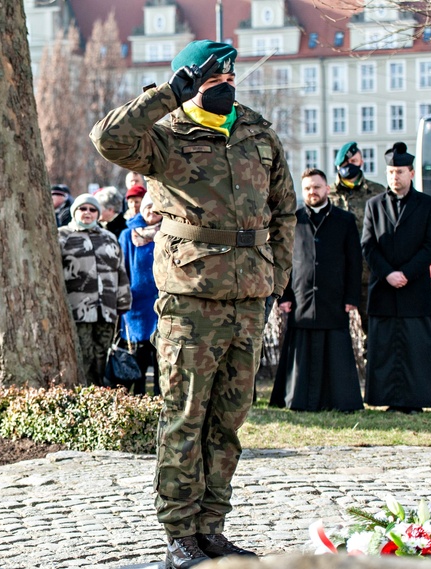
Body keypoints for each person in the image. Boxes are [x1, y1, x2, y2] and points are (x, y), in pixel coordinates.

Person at [91, 40, 295, 567]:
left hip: (249, 298)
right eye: (210, 78)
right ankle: (179, 533)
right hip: (191, 300)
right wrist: (168, 95)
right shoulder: (165, 135)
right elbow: (109, 139)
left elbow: (284, 211)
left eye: (229, 76)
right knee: (186, 417)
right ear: (190, 79)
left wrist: (276, 277)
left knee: (228, 420)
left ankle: (212, 526)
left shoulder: (256, 131)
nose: (224, 84)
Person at [270, 169, 363, 412]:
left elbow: (355, 262)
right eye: (308, 188)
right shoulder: (294, 220)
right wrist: (284, 295)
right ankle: (298, 400)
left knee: (335, 351)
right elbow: (283, 261)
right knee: (301, 351)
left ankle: (339, 402)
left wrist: (352, 297)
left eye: (317, 187)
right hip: (301, 298)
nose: (313, 192)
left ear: (327, 189)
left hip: (334, 297)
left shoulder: (345, 220)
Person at [362, 142, 431, 414]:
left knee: (415, 348)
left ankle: (416, 401)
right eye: (391, 172)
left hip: (413, 288)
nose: (395, 177)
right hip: (384, 289)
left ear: (412, 173)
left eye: (400, 172)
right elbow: (368, 245)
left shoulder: (429, 205)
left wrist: (406, 273)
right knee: (385, 348)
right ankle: (389, 399)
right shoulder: (374, 205)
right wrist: (388, 274)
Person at [58, 194, 131, 386]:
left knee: (103, 354)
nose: (87, 213)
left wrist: (124, 300)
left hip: (106, 308)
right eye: (83, 209)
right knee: (84, 354)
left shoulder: (108, 237)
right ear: (75, 211)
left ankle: (100, 393)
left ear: (98, 214)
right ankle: (83, 393)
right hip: (78, 309)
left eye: (92, 210)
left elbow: (120, 270)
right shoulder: (63, 236)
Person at [328, 141, 384, 332]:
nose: (350, 165)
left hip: (370, 274)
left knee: (374, 330)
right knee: (335, 332)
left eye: (354, 160)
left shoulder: (377, 192)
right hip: (338, 276)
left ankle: (372, 362)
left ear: (361, 162)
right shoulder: (328, 195)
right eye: (346, 163)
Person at [117, 193, 161, 396]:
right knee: (139, 359)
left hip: (163, 304)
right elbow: (122, 268)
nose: (152, 211)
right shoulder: (128, 234)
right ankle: (139, 400)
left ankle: (163, 401)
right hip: (137, 308)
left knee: (163, 357)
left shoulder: (169, 232)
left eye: (156, 207)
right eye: (148, 206)